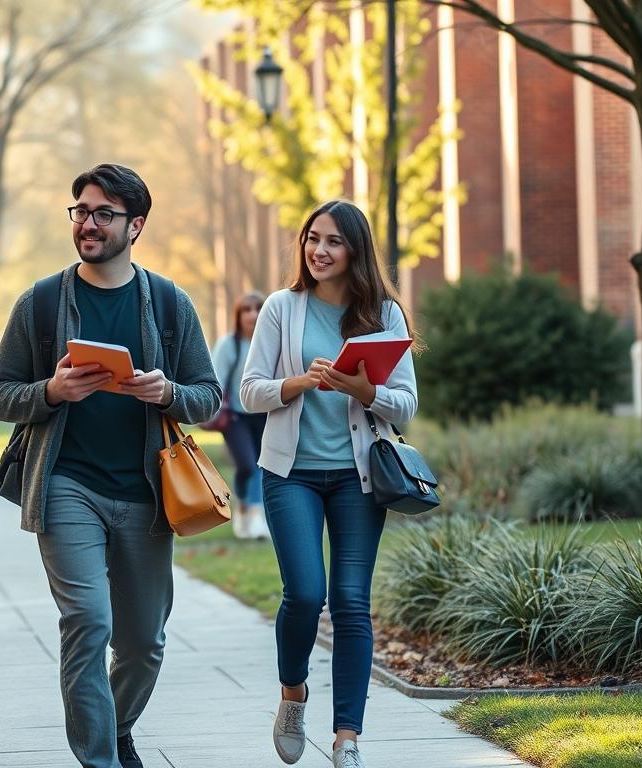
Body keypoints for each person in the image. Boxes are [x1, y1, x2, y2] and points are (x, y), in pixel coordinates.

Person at [0, 164, 219, 768]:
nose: (87, 223)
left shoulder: (168, 302)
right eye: (80, 211)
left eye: (102, 214)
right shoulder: (39, 303)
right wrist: (51, 392)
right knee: (87, 619)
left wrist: (167, 393)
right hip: (65, 484)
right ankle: (100, 760)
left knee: (143, 643)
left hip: (146, 492)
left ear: (134, 226)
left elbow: (209, 396)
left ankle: (114, 725)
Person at [239, 200, 418, 768]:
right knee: (306, 594)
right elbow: (249, 392)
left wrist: (360, 391)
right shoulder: (280, 308)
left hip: (358, 477)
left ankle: (347, 739)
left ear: (355, 251)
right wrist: (298, 383)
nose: (319, 250)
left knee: (350, 602)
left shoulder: (385, 314)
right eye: (313, 238)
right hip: (289, 472)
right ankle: (293, 695)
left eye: (333, 242)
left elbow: (407, 404)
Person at [211, 290, 269, 540]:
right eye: (246, 310)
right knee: (247, 465)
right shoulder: (228, 344)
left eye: (257, 309)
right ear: (238, 315)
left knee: (260, 466)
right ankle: (252, 515)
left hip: (265, 414)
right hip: (235, 417)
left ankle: (248, 513)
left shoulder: (271, 342)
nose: (252, 315)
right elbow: (216, 381)